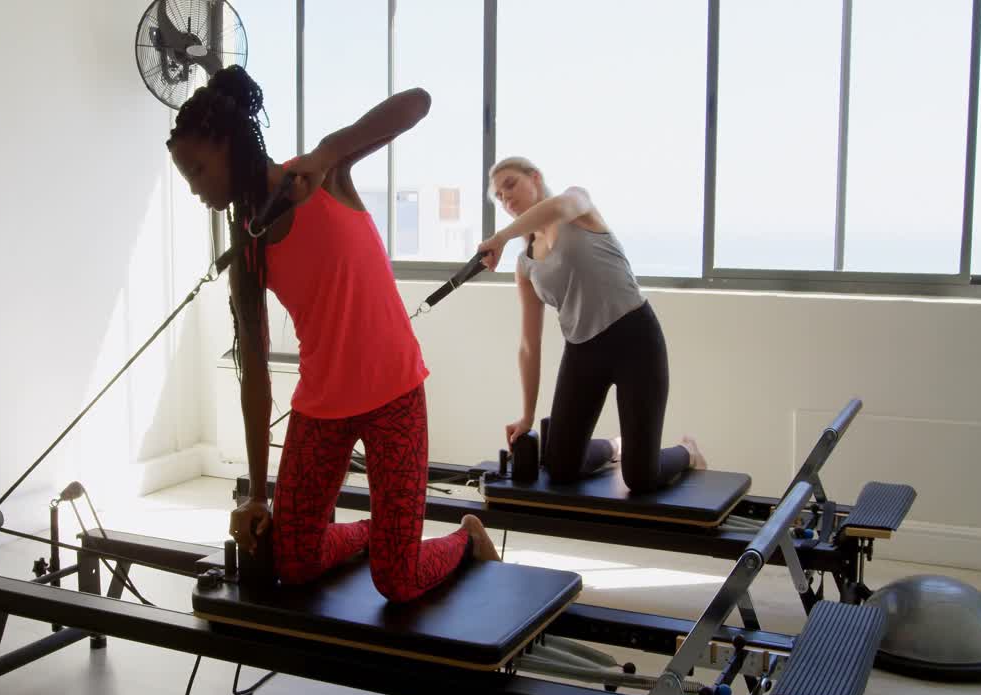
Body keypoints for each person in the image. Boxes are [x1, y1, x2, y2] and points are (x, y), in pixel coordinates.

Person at [167, 67, 498, 602]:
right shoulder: (247, 252)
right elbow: (254, 372)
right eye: (188, 177)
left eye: (199, 170)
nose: (197, 189)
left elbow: (418, 102)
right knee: (293, 562)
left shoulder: (323, 176)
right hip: (321, 408)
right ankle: (381, 537)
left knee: (398, 580)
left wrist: (327, 151)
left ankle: (465, 539)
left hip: (395, 395)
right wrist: (257, 494)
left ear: (229, 147)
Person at [477, 157, 706, 494]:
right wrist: (527, 415)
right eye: (499, 196)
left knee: (640, 478)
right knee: (559, 467)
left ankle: (688, 451)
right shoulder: (526, 262)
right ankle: (616, 446)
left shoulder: (577, 205)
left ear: (535, 178)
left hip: (635, 339)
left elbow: (560, 206)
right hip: (583, 353)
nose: (506, 198)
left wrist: (501, 237)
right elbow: (529, 344)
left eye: (510, 184)